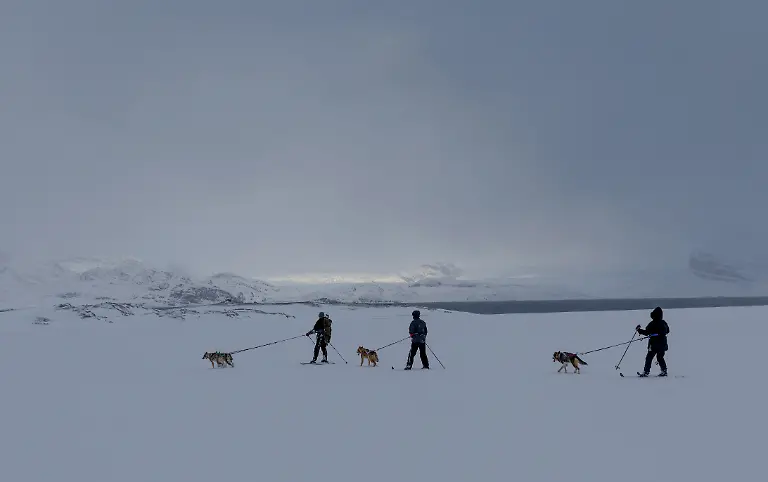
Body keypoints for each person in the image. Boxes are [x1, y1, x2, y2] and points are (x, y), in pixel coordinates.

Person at [636, 306, 670, 377]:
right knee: (660, 357)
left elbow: (646, 332)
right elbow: (668, 331)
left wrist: (639, 330)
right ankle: (664, 371)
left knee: (649, 357)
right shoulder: (663, 322)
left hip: (654, 344)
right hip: (663, 344)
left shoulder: (652, 323)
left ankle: (646, 372)